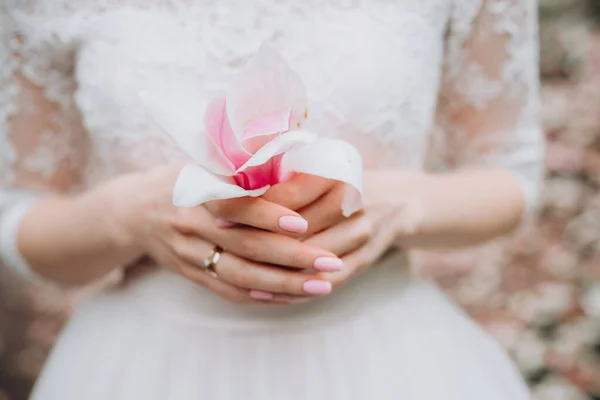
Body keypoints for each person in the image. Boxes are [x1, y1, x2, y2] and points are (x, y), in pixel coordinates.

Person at [0, 1, 544, 399]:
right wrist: (127, 216)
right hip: (147, 364)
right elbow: (21, 217)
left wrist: (398, 206)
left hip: (388, 357)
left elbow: (511, 174)